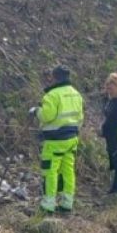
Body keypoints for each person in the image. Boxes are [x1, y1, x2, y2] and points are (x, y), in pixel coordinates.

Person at [30, 66, 84, 213]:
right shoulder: (76, 94)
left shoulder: (52, 95)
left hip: (55, 140)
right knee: (68, 170)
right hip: (72, 138)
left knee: (50, 170)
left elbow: (47, 116)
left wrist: (36, 111)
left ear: (54, 77)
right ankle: (67, 203)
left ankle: (48, 204)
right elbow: (80, 118)